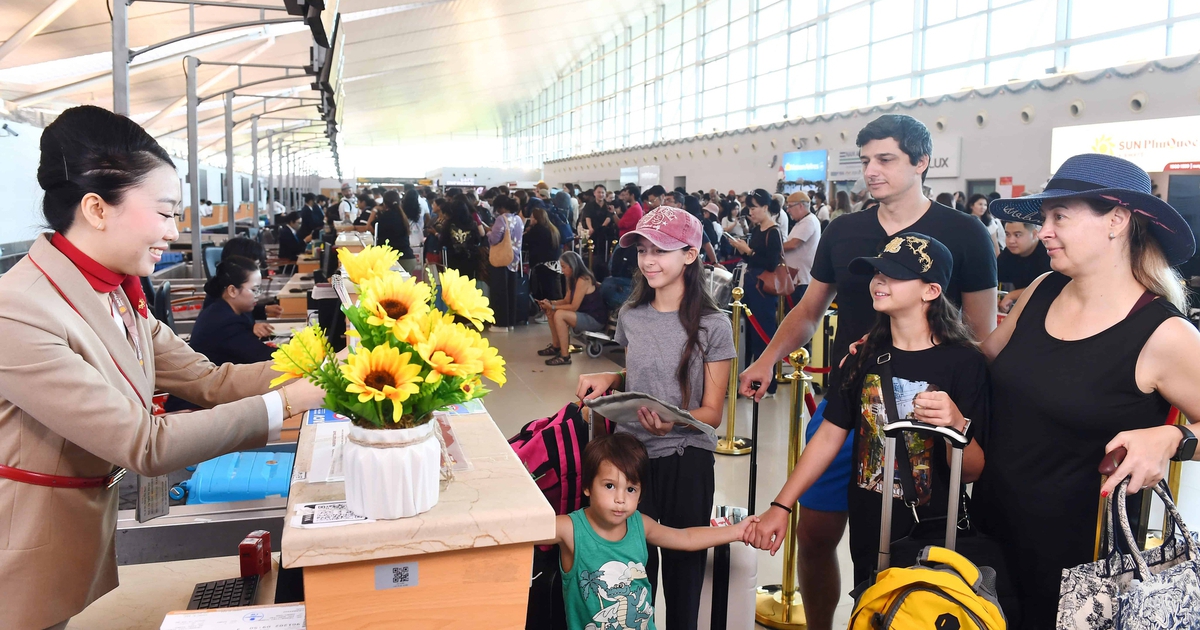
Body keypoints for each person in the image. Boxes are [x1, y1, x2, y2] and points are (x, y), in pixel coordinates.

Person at [0, 105, 328, 630]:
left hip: (74, 537)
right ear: (96, 208)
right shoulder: (19, 310)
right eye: (165, 212)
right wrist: (287, 402)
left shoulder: (118, 296)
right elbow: (143, 443)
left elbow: (209, 380)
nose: (173, 232)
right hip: (20, 554)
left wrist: (325, 370)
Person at [738, 114, 997, 630]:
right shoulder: (845, 230)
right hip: (848, 396)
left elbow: (981, 333)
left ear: (921, 162)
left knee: (912, 542)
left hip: (924, 412)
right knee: (816, 534)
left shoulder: (964, 233)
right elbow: (809, 310)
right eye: (865, 160)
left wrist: (948, 397)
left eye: (885, 159)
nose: (871, 171)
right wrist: (767, 359)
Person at [970, 153, 1200, 629]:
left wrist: (1173, 438)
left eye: (1059, 217)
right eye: (1044, 219)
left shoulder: (1164, 334)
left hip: (1083, 573)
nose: (1044, 232)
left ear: (1116, 220)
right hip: (992, 537)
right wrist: (906, 341)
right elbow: (982, 362)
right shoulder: (1043, 289)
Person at [751, 233, 987, 588]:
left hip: (934, 533)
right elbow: (829, 435)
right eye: (878, 272)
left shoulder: (965, 362)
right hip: (868, 528)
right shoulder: (864, 356)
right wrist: (781, 506)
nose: (879, 281)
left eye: (895, 275)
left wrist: (955, 424)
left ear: (930, 291)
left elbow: (971, 471)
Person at [575, 206, 735, 630]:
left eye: (661, 250)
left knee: (684, 573)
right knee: (632, 574)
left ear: (690, 255)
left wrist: (673, 422)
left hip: (686, 459)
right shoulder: (631, 315)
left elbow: (712, 414)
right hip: (632, 460)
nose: (648, 260)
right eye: (643, 250)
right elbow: (640, 376)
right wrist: (612, 377)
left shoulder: (713, 325)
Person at [551, 433, 758, 630]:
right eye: (610, 486)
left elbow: (686, 538)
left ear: (641, 495)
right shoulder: (570, 529)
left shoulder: (640, 524)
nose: (620, 499)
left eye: (631, 489)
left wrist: (737, 532)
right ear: (587, 486)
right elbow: (530, 528)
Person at [728, 188, 785, 395]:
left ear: (765, 207)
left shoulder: (773, 231)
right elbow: (752, 259)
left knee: (764, 335)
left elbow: (771, 263)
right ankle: (751, 381)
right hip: (752, 286)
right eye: (749, 208)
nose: (750, 212)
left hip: (764, 291)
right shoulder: (758, 229)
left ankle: (768, 384)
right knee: (751, 336)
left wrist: (749, 251)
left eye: (754, 208)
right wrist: (743, 250)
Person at [189, 256, 275, 365]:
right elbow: (265, 356)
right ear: (232, 291)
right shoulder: (226, 322)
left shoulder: (223, 307)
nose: (258, 295)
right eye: (254, 290)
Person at [537, 251, 606, 366]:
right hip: (583, 314)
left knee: (559, 314)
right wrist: (550, 303)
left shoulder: (583, 279)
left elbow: (573, 306)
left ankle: (565, 356)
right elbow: (566, 301)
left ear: (572, 266)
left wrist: (553, 306)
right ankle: (556, 346)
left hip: (594, 318)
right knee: (551, 312)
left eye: (564, 267)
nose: (562, 270)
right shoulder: (571, 278)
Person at [487, 194, 526, 327]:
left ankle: (501, 324)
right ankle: (510, 322)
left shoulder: (501, 219)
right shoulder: (518, 219)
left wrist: (488, 233)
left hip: (501, 259)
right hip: (514, 259)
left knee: (499, 292)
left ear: (501, 207)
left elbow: (494, 239)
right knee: (511, 291)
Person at [996, 221, 1051, 313]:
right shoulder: (1007, 254)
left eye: (1017, 235)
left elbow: (1048, 288)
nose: (1011, 241)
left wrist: (1012, 295)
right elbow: (993, 279)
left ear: (1034, 234)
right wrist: (994, 297)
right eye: (1008, 235)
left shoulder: (1048, 254)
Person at [783, 191, 821, 307]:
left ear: (800, 206)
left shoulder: (809, 221)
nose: (788, 210)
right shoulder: (802, 221)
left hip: (801, 279)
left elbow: (793, 244)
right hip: (796, 278)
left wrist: (772, 247)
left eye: (790, 206)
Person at [367, 190, 417, 273]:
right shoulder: (402, 216)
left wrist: (375, 210)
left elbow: (369, 227)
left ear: (384, 203)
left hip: (394, 259)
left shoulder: (384, 217)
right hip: (408, 258)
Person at [439, 196, 486, 281]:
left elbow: (443, 241)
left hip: (453, 258)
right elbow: (477, 240)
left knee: (454, 283)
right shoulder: (472, 224)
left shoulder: (448, 224)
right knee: (469, 281)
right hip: (470, 258)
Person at [526, 202, 563, 305]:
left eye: (532, 217)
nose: (530, 219)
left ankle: (547, 310)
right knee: (554, 290)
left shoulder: (537, 230)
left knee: (545, 291)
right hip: (554, 264)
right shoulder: (553, 229)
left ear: (536, 219)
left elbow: (524, 240)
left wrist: (527, 230)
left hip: (543, 264)